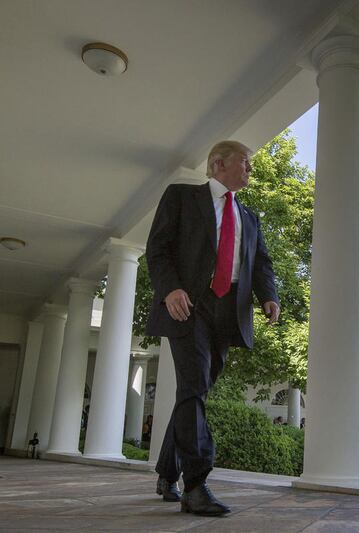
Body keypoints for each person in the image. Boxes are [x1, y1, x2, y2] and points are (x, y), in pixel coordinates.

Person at [146, 140, 280, 516]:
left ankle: (166, 471)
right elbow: (157, 249)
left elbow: (262, 263)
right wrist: (170, 288)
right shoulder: (182, 197)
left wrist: (269, 296)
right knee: (192, 387)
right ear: (219, 163)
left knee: (196, 391)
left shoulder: (250, 218)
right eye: (246, 163)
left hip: (229, 311)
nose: (250, 169)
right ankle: (196, 484)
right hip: (188, 304)